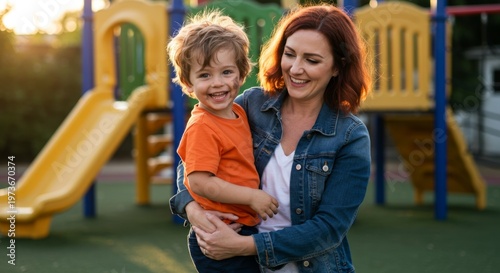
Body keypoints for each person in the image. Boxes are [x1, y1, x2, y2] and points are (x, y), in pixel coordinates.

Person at [170, 3, 372, 273]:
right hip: (240, 260)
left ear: (337, 67)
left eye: (312, 60)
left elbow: (328, 229)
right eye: (290, 54)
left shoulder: (350, 136)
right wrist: (193, 209)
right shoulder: (252, 105)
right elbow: (192, 162)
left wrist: (243, 246)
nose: (295, 69)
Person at [167, 10, 279, 273]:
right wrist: (252, 196)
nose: (217, 83)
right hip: (220, 231)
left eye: (226, 72)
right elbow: (199, 181)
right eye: (205, 75)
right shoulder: (203, 126)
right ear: (188, 83)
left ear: (241, 75)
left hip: (241, 226)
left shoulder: (239, 112)